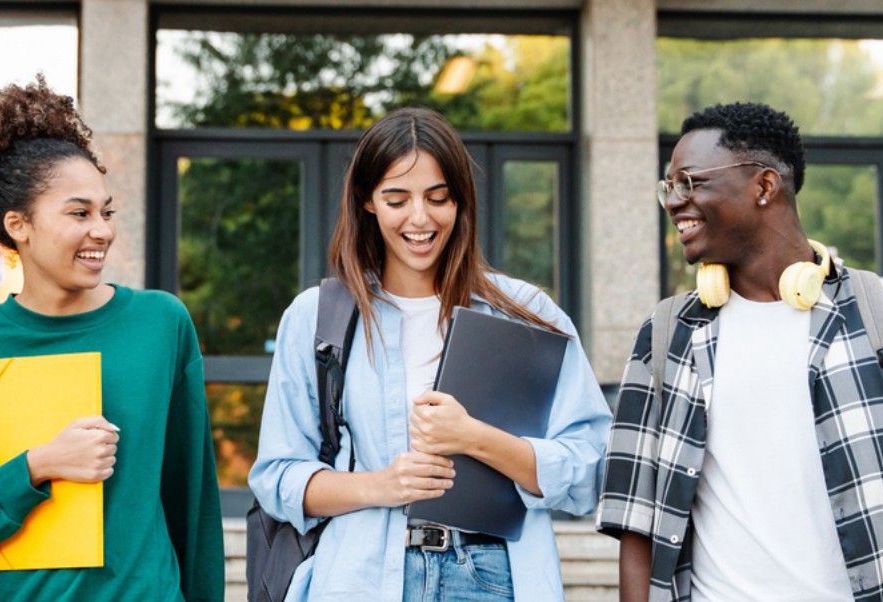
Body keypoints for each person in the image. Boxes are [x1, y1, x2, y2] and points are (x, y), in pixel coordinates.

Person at [597, 102, 883, 602]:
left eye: (690, 182)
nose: (673, 202)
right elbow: (637, 519)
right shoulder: (666, 333)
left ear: (764, 186)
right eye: (669, 187)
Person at [249, 107, 611, 601]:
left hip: (492, 576)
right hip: (360, 577)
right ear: (368, 202)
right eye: (397, 199)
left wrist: (476, 438)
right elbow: (278, 477)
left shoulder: (525, 314)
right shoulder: (317, 316)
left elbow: (591, 469)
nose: (420, 219)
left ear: (461, 202)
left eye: (437, 198)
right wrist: (381, 485)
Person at [0, 76, 225, 601]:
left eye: (106, 211)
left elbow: (191, 500)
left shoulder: (160, 324)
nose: (102, 230)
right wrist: (37, 467)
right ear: (19, 225)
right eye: (79, 213)